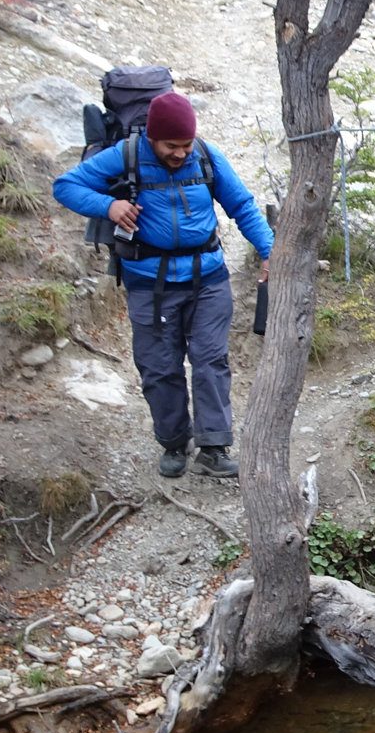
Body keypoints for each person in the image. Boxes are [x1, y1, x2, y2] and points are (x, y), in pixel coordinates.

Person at [53, 91, 272, 479]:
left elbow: (241, 205)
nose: (181, 153)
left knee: (211, 361)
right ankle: (173, 442)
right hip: (148, 283)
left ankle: (214, 447)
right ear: (153, 137)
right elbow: (65, 186)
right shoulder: (126, 155)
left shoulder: (205, 155)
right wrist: (109, 206)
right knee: (159, 367)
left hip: (208, 278)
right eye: (172, 145)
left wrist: (270, 250)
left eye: (186, 144)